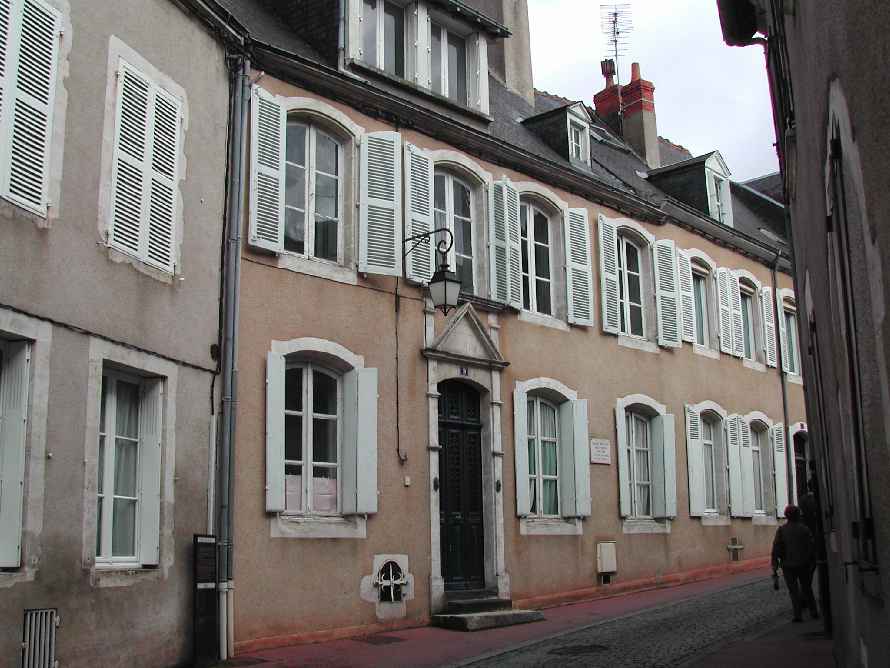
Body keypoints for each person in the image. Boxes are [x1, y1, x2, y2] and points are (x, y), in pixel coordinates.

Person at [772, 504, 819, 622]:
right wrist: (811, 560)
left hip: (788, 565)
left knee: (793, 591)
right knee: (807, 588)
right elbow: (811, 546)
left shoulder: (782, 530)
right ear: (798, 515)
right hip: (803, 564)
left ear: (786, 516)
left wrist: (775, 566)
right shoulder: (804, 529)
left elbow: (776, 548)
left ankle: (798, 615)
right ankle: (814, 611)